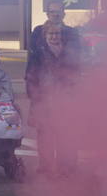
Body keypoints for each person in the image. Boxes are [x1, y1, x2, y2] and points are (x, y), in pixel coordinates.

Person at [25, 22, 83, 179]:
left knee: (65, 133)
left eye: (57, 34)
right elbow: (30, 75)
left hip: (65, 98)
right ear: (45, 36)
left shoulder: (69, 52)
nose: (54, 37)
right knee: (45, 134)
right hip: (44, 98)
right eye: (51, 34)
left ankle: (67, 166)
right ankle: (46, 166)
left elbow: (76, 74)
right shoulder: (38, 53)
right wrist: (34, 95)